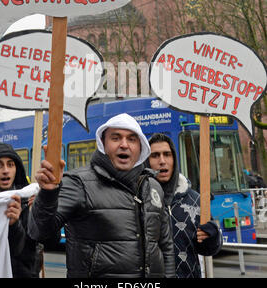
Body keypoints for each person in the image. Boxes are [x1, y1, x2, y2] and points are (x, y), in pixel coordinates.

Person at [28, 113, 175, 278]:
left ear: (140, 147)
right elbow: (39, 232)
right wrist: (48, 193)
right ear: (103, 144)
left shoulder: (153, 187)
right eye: (116, 138)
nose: (124, 145)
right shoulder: (78, 183)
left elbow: (165, 246)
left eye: (132, 139)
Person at [147, 133, 222, 278]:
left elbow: (209, 249)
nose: (162, 161)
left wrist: (212, 236)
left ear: (174, 159)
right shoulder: (138, 199)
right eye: (155, 155)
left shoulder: (195, 199)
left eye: (167, 154)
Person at [0, 143, 41, 278]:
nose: (5, 170)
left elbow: (26, 250)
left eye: (10, 165)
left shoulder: (28, 200)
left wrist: (43, 207)